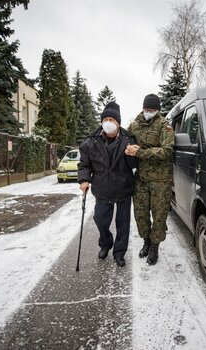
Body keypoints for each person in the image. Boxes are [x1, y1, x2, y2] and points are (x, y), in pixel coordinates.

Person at [78, 101, 138, 267]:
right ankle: (105, 244)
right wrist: (84, 179)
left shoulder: (128, 139)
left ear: (118, 122)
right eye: (106, 119)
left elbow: (134, 165)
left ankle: (119, 252)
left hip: (123, 188)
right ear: (102, 121)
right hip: (102, 188)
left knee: (123, 224)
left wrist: (131, 155)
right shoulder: (91, 142)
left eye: (113, 119)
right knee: (100, 220)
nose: (109, 122)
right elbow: (84, 164)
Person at [125, 94, 174, 265]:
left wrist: (141, 152)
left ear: (157, 110)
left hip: (161, 180)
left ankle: (154, 246)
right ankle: (146, 241)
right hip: (141, 179)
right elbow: (126, 142)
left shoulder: (164, 125)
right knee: (140, 214)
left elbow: (167, 151)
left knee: (159, 215)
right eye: (147, 109)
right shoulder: (135, 125)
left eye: (152, 110)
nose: (148, 112)